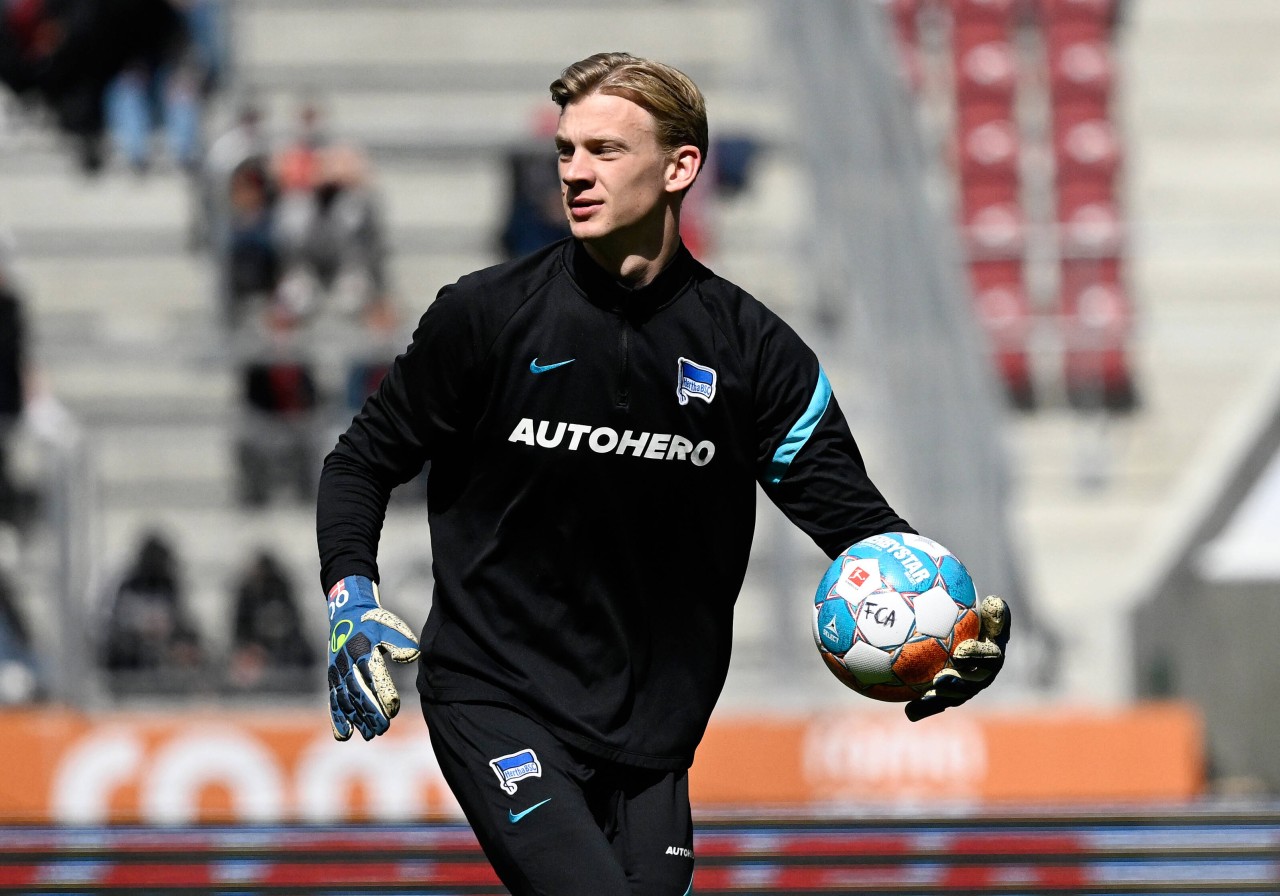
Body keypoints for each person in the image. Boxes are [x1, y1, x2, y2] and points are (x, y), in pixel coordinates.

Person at [317, 52, 1010, 896]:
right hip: (497, 695)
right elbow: (360, 461)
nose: (574, 172)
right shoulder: (485, 316)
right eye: (567, 151)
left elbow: (860, 527)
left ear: (681, 167)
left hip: (654, 741)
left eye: (605, 151)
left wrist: (952, 627)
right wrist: (352, 595)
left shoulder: (756, 354)